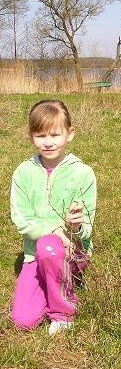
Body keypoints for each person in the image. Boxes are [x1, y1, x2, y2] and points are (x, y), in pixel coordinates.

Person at [10, 99, 97, 336]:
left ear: (69, 134)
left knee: (50, 247)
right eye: (40, 136)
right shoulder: (23, 173)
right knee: (23, 320)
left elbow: (87, 226)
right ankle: (53, 282)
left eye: (55, 135)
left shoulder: (83, 173)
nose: (48, 142)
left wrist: (75, 228)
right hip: (34, 254)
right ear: (31, 137)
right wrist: (56, 228)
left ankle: (63, 311)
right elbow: (21, 220)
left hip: (72, 251)